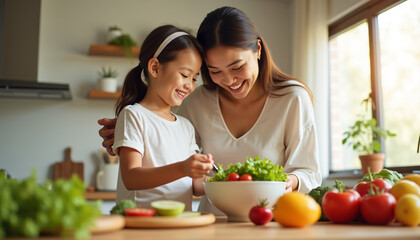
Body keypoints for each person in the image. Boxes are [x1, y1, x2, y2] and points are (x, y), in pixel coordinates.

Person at [99, 6, 321, 214]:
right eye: (215, 70)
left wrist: (290, 182)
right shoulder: (196, 102)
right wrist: (122, 136)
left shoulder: (292, 98)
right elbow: (159, 142)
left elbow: (308, 171)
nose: (229, 80)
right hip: (210, 224)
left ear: (258, 50)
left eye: (237, 67)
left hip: (267, 222)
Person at [111, 24, 214, 211]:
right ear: (155, 68)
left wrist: (223, 179)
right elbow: (131, 177)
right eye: (184, 75)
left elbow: (196, 186)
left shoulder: (186, 126)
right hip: (142, 225)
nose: (190, 85)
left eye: (194, 78)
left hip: (179, 225)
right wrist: (183, 168)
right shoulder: (133, 115)